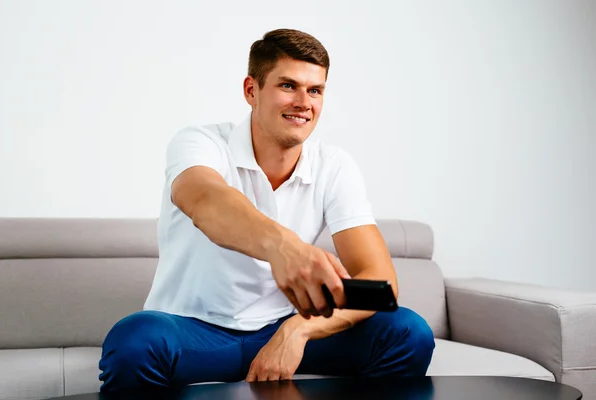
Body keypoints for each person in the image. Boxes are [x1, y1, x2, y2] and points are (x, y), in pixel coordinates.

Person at [98, 28, 435, 392]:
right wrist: (284, 249)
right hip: (194, 330)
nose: (304, 102)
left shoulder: (334, 165)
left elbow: (379, 278)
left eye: (315, 90)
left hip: (282, 325)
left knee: (409, 332)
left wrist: (299, 329)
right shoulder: (200, 142)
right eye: (288, 85)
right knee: (135, 341)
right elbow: (205, 201)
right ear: (251, 90)